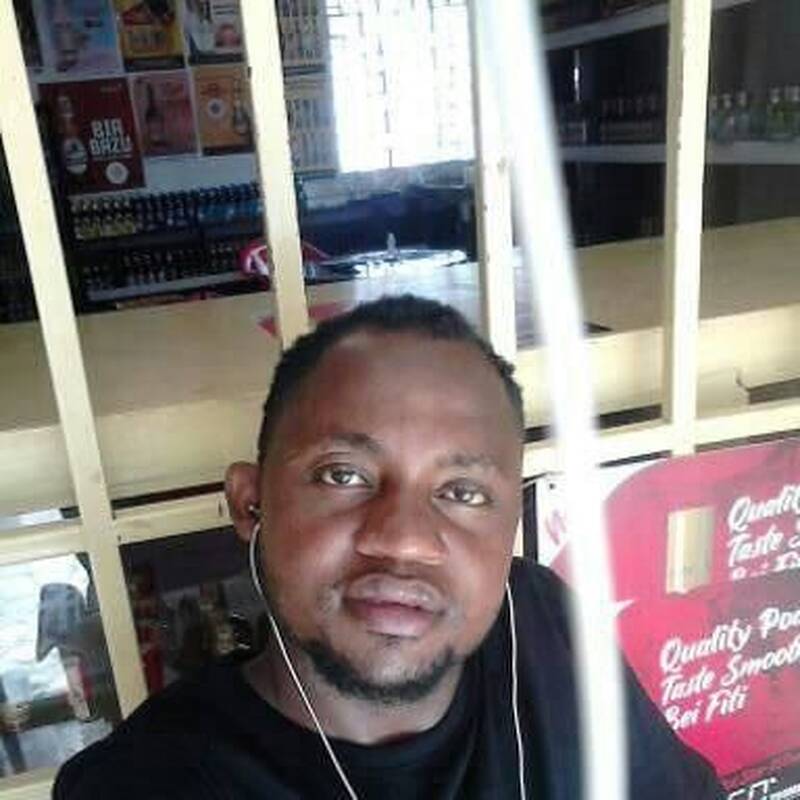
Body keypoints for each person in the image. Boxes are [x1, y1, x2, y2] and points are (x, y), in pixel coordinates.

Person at [53, 295, 725, 799]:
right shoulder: (141, 784)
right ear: (250, 504)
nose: (404, 540)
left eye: (462, 491)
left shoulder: (540, 621)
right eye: (343, 476)